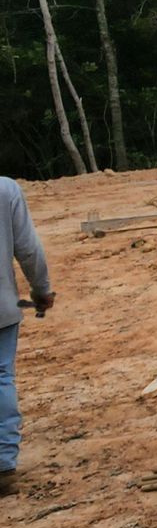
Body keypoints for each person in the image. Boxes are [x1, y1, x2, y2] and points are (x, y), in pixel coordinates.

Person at [1, 176, 55, 498]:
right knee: (1, 376)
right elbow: (29, 249)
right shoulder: (6, 190)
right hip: (2, 308)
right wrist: (42, 290)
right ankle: (3, 463)